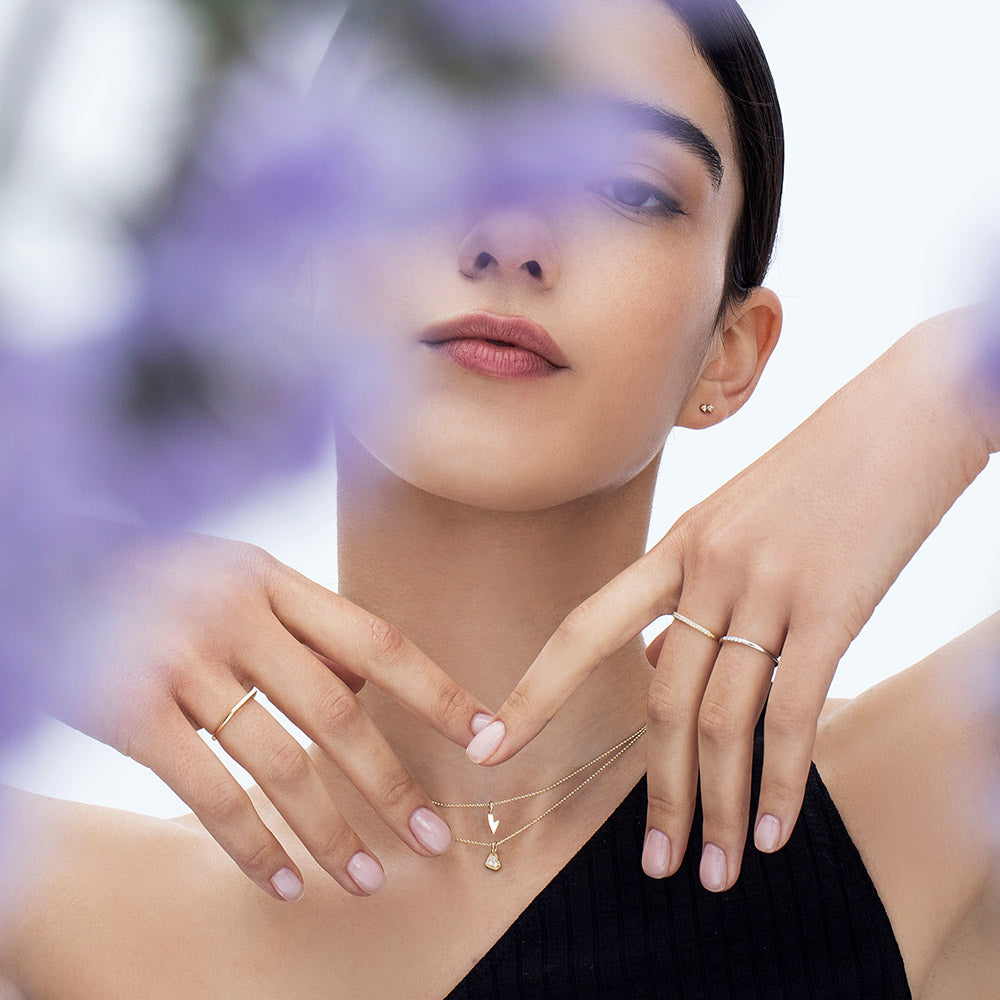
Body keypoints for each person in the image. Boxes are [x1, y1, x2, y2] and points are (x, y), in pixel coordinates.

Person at [1, 0, 998, 996]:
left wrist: (944, 391)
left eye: (629, 188)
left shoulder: (926, 813)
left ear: (728, 354)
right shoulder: (53, 917)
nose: (512, 236)